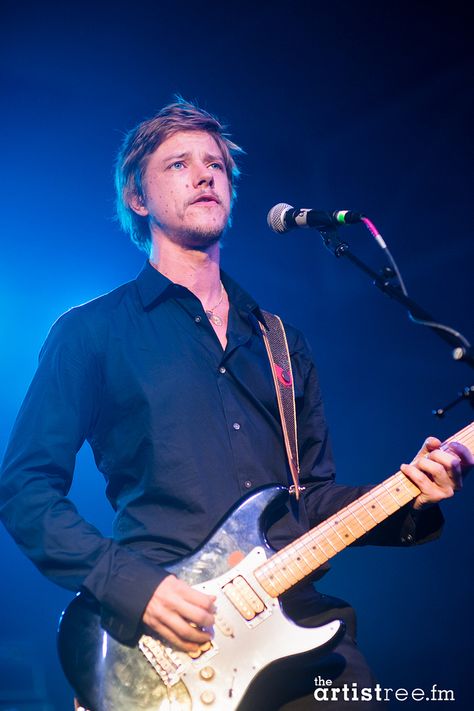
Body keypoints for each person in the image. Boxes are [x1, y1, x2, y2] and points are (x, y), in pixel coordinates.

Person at [0, 99, 471, 711]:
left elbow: (311, 500)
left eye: (216, 165)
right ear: (136, 199)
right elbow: (26, 489)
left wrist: (413, 494)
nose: (204, 175)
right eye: (178, 165)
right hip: (167, 638)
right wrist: (134, 587)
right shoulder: (92, 333)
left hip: (298, 629)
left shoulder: (279, 340)